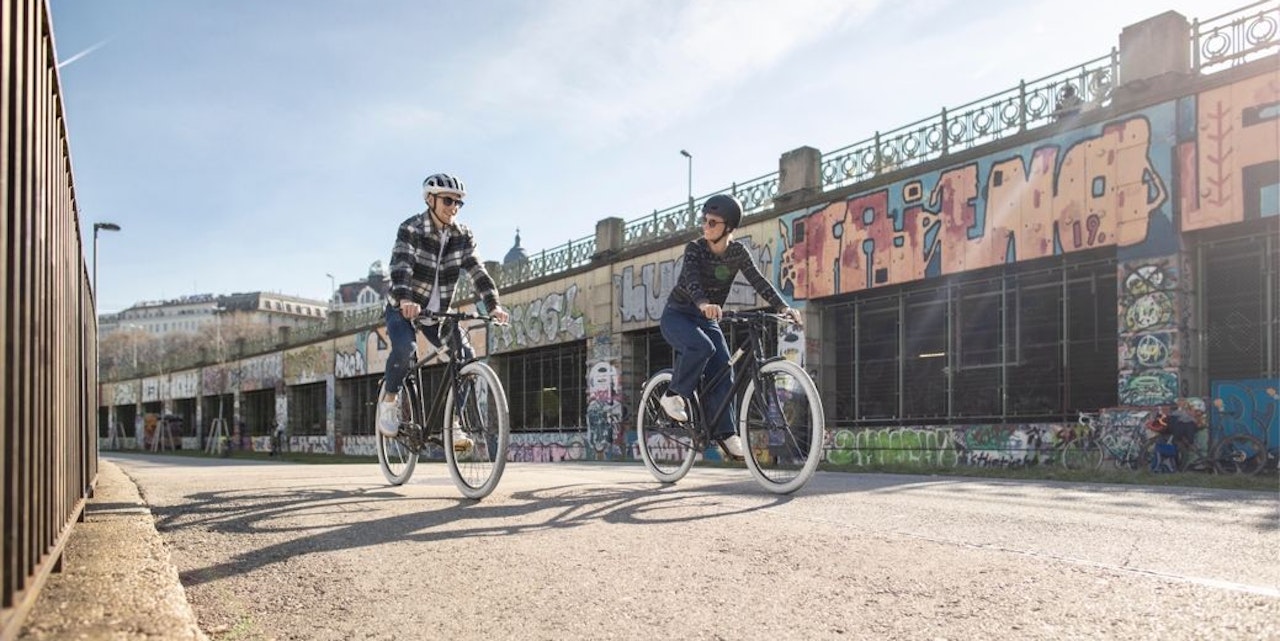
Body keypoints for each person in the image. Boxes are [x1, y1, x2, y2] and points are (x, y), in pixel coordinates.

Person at [658, 194, 801, 459]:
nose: (706, 226)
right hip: (678, 314)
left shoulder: (737, 252)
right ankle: (672, 395)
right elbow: (691, 281)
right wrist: (702, 303)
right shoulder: (695, 249)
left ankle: (726, 434)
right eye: (704, 220)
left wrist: (783, 307)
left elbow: (758, 281)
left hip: (707, 318)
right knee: (702, 347)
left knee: (725, 370)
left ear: (729, 227)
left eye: (713, 222)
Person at [376, 173, 510, 448]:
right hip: (404, 308)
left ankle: (455, 425)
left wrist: (494, 304)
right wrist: (404, 300)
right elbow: (401, 267)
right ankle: (390, 399)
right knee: (405, 348)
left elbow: (477, 272)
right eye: (448, 201)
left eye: (459, 203)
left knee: (466, 359)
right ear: (430, 199)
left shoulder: (462, 236)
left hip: (438, 315)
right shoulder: (411, 228)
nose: (454, 207)